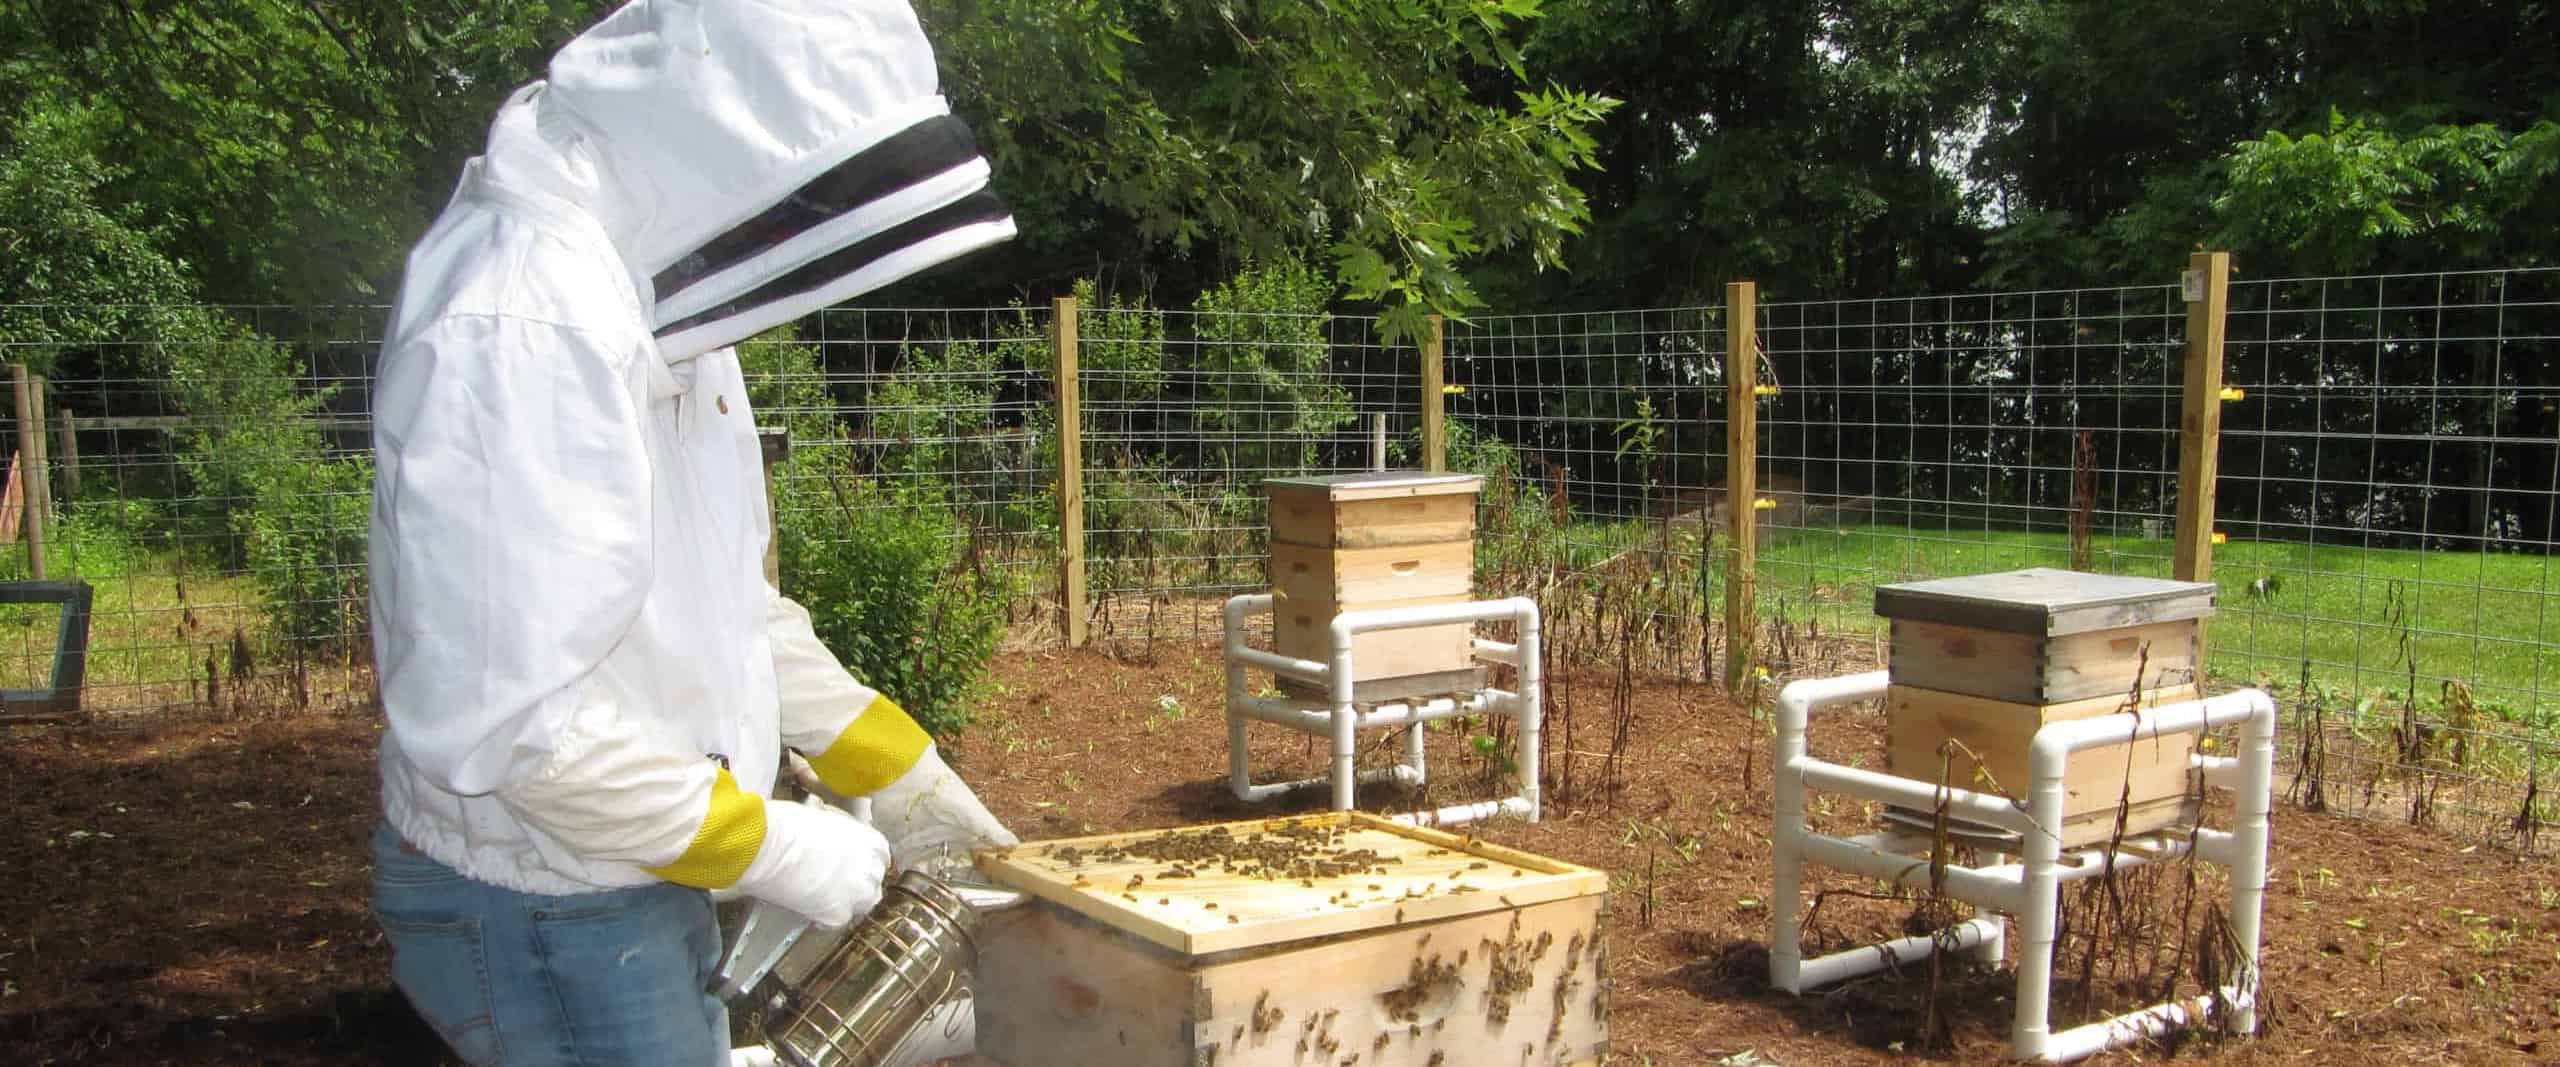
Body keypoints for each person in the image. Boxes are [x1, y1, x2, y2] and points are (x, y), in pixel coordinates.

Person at [364, 1, 1020, 1063]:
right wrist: (765, 841)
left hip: (632, 859)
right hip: (547, 897)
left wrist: (893, 763)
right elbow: (498, 724)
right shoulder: (518, 327)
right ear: (719, 147)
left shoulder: (651, 296)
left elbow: (724, 597)